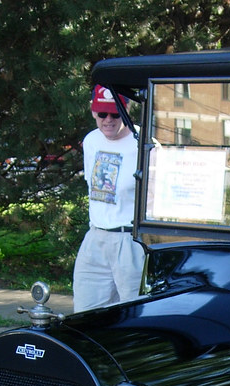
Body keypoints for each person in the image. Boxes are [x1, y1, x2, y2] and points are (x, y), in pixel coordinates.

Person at [73, 85, 145, 311]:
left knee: (133, 315)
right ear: (93, 112)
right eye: (102, 113)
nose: (108, 120)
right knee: (85, 314)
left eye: (115, 113)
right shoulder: (91, 141)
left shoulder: (141, 142)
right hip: (96, 237)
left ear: (127, 109)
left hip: (129, 240)